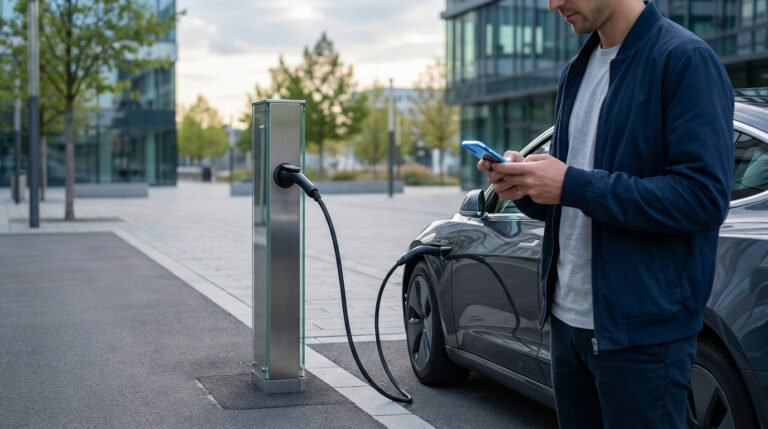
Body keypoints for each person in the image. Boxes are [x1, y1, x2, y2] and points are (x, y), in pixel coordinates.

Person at [477, 0, 734, 427]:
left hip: (642, 338)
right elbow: (573, 198)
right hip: (566, 325)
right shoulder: (577, 69)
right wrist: (523, 187)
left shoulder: (685, 60)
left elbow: (702, 198)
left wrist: (571, 184)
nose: (552, 4)